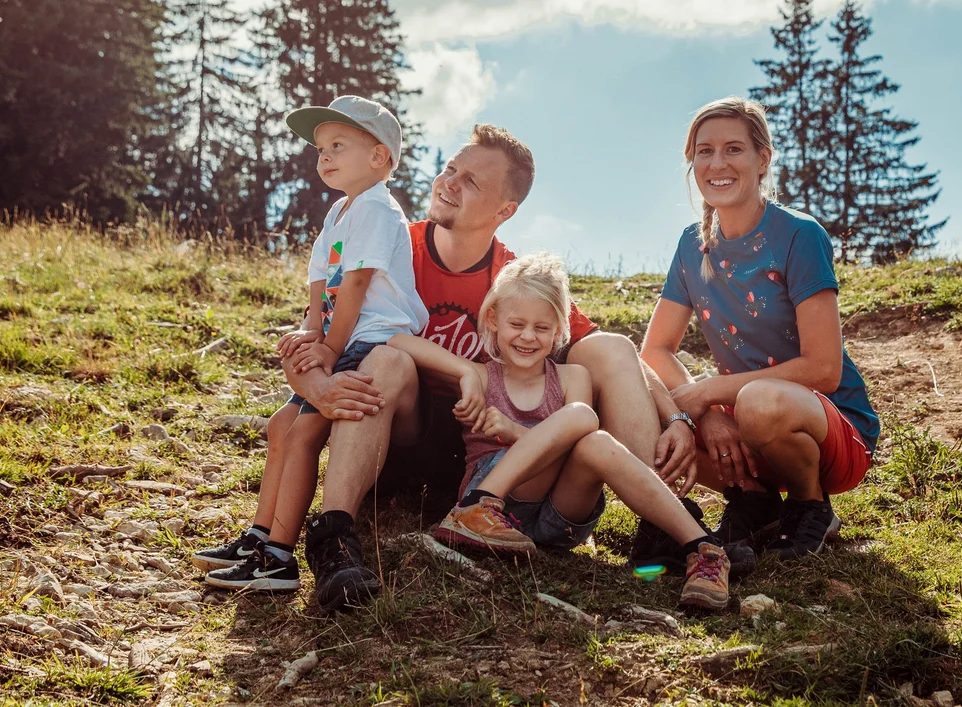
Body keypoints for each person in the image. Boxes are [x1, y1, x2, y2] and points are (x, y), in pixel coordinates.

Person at [206, 124, 705, 614]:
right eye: (450, 168)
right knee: (388, 356)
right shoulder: (393, 242)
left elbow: (616, 353)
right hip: (395, 436)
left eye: (471, 181)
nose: (448, 182)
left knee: (610, 345)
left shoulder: (510, 279)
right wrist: (317, 385)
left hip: (488, 453)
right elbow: (317, 334)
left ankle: (664, 524)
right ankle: (335, 538)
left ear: (504, 210)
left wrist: (676, 416)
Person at [389, 252, 732, 610]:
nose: (527, 337)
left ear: (559, 330)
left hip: (559, 517)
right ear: (492, 320)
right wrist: (461, 373)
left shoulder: (572, 377)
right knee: (581, 418)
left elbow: (573, 448)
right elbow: (398, 342)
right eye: (516, 324)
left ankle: (703, 549)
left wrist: (512, 430)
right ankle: (476, 507)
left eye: (541, 328)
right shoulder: (480, 375)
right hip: (504, 497)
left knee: (592, 435)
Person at [190, 95, 426, 593]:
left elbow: (357, 287)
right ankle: (259, 536)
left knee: (302, 436)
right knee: (281, 426)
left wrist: (329, 349)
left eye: (338, 145)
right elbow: (321, 284)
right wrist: (310, 334)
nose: (324, 157)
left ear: (380, 156)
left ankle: (279, 557)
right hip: (341, 337)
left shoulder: (380, 211)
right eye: (320, 149)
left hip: (371, 340)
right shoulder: (337, 214)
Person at [638, 97, 882, 559]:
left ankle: (811, 506)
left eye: (733, 149)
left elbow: (825, 369)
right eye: (704, 151)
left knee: (757, 401)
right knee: (644, 404)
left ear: (762, 159)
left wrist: (716, 391)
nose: (717, 163)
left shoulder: (799, 235)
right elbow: (655, 352)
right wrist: (707, 414)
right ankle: (755, 501)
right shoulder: (692, 246)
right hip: (747, 422)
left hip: (830, 432)